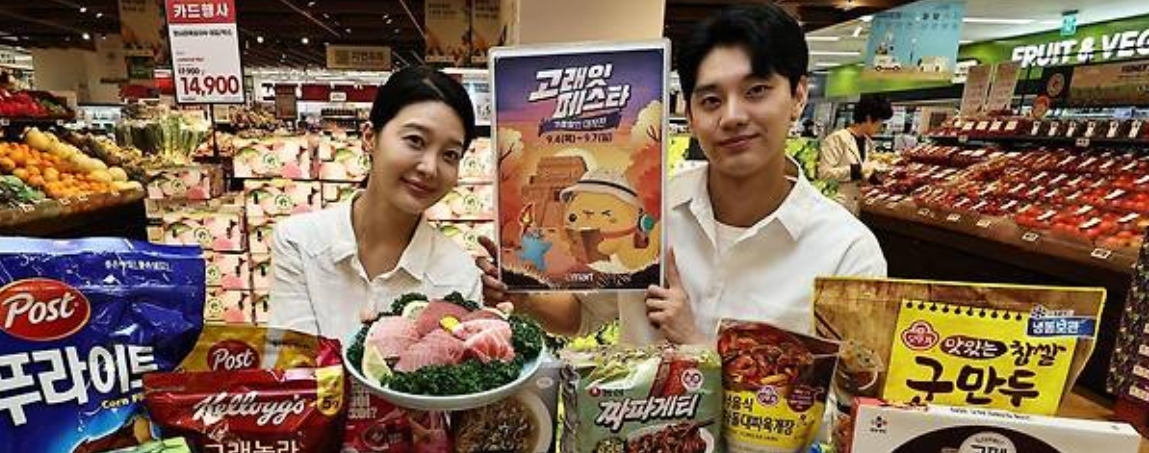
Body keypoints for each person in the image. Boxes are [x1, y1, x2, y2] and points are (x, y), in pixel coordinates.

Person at [478, 2, 886, 343]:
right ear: (689, 115)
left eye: (756, 91)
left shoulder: (845, 252)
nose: (732, 116)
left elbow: (845, 399)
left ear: (798, 96)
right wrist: (526, 294)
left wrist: (697, 345)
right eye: (711, 100)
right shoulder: (650, 211)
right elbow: (580, 316)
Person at [269, 66, 483, 339]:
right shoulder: (299, 243)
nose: (430, 168)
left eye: (450, 154)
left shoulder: (460, 275)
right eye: (415, 140)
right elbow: (291, 359)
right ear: (370, 137)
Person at [818, 94, 893, 184]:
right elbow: (823, 174)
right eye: (880, 122)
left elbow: (866, 174)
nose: (881, 127)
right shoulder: (837, 139)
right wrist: (857, 170)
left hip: (862, 192)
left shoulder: (868, 143)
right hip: (840, 193)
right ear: (868, 118)